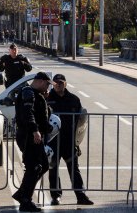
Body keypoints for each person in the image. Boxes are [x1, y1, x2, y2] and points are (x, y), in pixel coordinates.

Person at [46, 74, 93, 206]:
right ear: (53, 84)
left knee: (74, 169)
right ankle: (56, 196)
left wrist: (77, 141)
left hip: (69, 141)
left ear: (65, 84)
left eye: (61, 82)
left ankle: (81, 196)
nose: (58, 85)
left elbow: (81, 122)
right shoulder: (47, 99)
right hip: (53, 141)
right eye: (56, 83)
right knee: (53, 169)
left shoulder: (74, 99)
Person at [13, 71, 54, 212]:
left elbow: (41, 115)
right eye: (47, 84)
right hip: (28, 136)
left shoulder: (37, 95)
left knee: (43, 165)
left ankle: (22, 194)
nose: (48, 88)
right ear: (41, 81)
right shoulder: (28, 92)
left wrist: (43, 100)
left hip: (34, 135)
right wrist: (35, 130)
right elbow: (28, 113)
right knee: (34, 167)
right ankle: (25, 200)